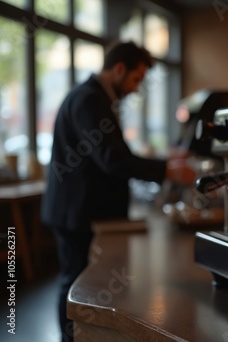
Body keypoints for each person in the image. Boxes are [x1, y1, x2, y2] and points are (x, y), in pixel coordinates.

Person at [40, 41, 196, 342]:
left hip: (79, 208)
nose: (137, 88)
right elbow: (112, 160)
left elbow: (111, 155)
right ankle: (71, 338)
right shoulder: (89, 99)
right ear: (119, 69)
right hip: (76, 210)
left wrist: (164, 165)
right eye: (136, 79)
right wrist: (168, 170)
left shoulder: (95, 98)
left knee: (81, 281)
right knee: (75, 283)